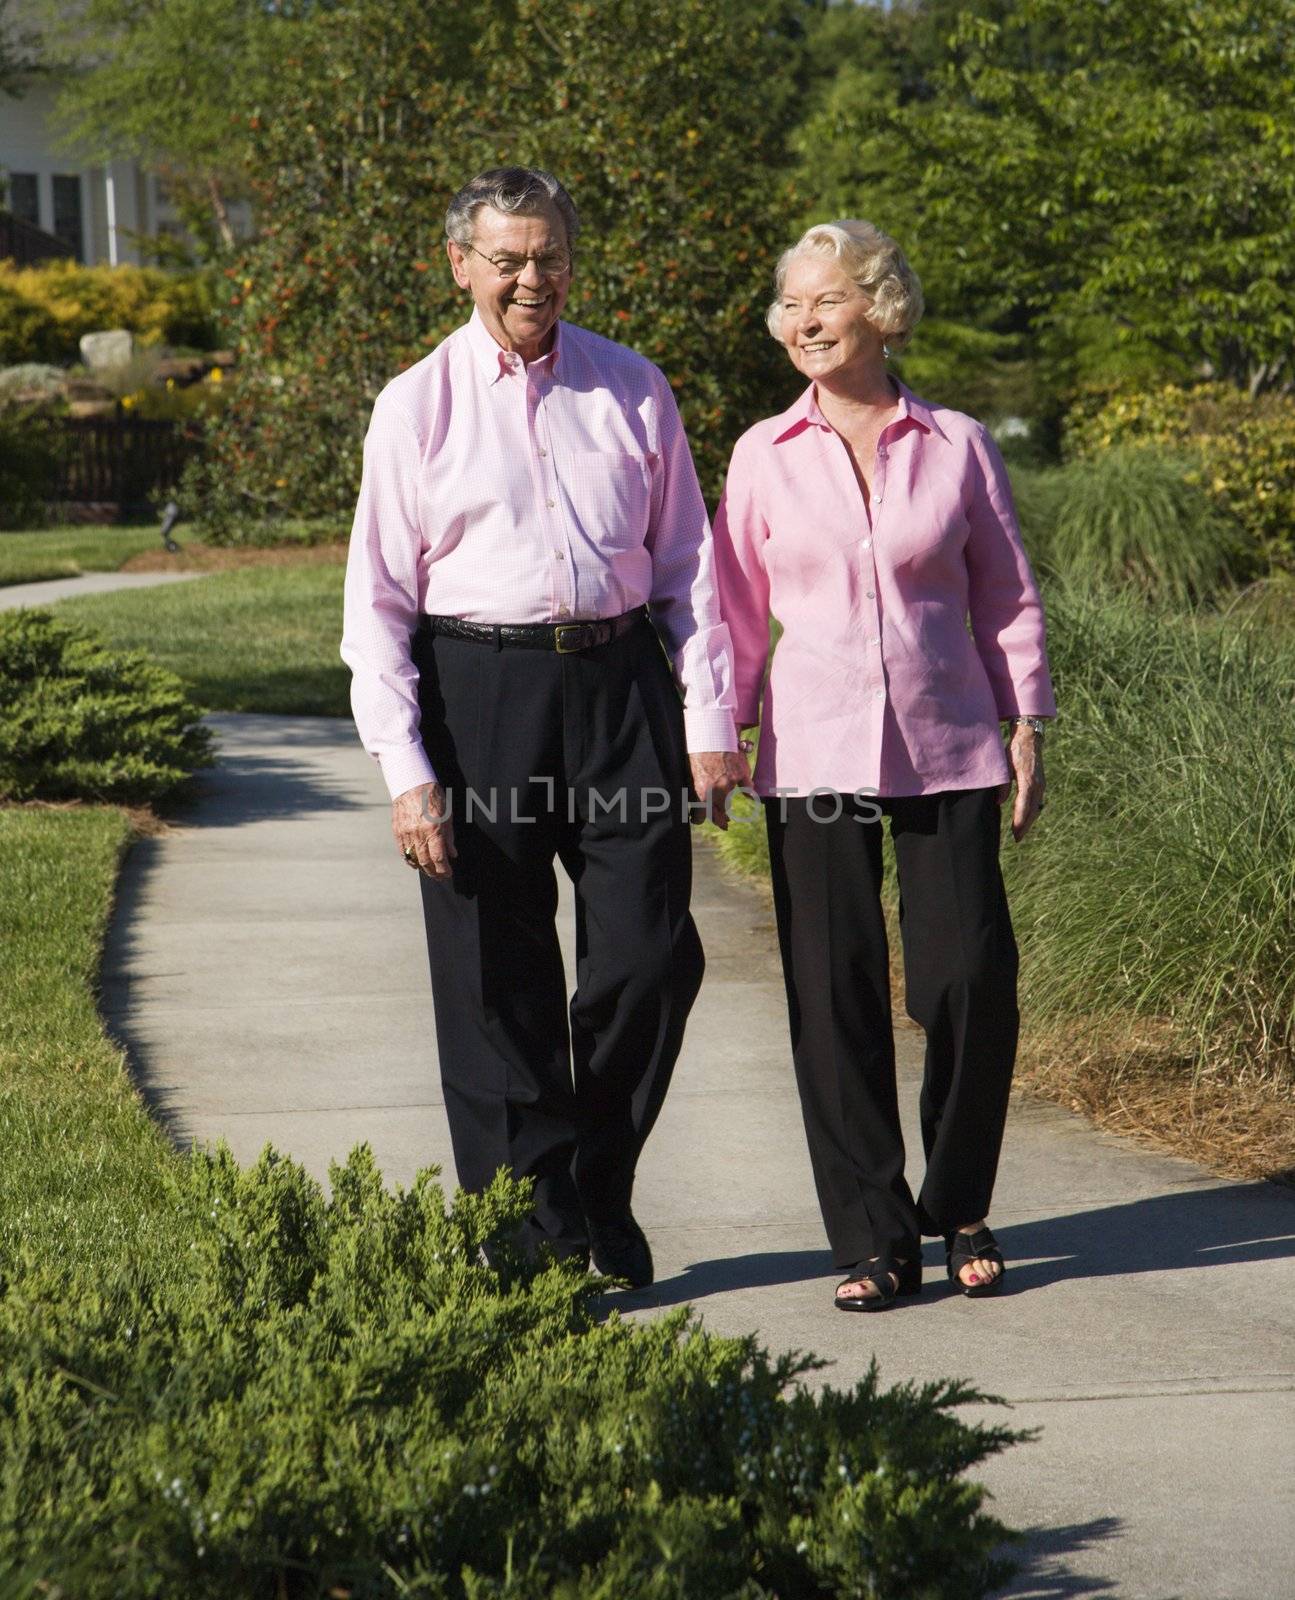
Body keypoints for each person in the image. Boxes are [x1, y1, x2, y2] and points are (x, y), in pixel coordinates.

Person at [340, 166, 747, 1288]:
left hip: (619, 688)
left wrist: (707, 716)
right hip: (478, 693)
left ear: (572, 257)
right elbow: (372, 606)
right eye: (507, 258)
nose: (531, 277)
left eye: (549, 254)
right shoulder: (414, 405)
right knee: (492, 979)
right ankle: (532, 1241)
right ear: (461, 264)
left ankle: (593, 1184)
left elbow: (690, 574)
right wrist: (407, 772)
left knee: (652, 954)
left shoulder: (631, 385)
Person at [712, 220, 1056, 1311]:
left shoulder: (954, 444)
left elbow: (1002, 593)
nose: (799, 322)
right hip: (807, 745)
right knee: (833, 990)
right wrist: (715, 725)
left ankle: (955, 1203)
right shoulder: (759, 455)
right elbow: (728, 610)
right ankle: (871, 1233)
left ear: (876, 305)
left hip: (945, 740)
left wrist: (1025, 719)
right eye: (787, 305)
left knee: (968, 982)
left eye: (822, 301)